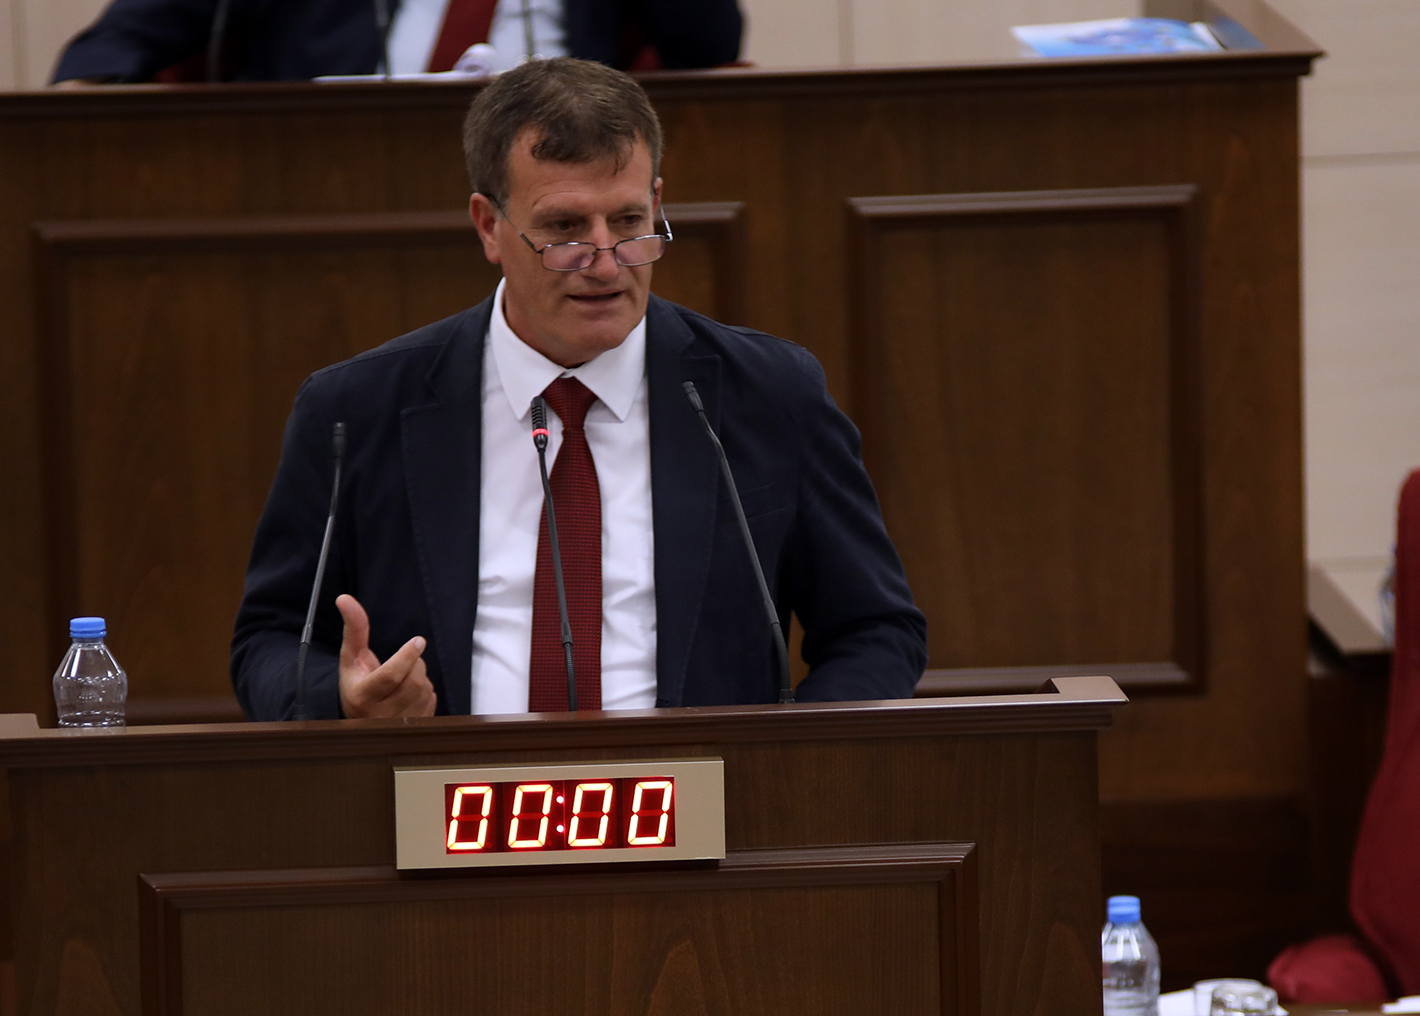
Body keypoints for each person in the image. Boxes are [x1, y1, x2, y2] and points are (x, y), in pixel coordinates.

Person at [231, 57, 927, 721]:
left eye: (628, 223)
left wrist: (785, 764)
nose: (605, 264)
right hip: (443, 792)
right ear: (489, 227)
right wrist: (343, 698)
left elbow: (874, 630)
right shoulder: (356, 410)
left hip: (706, 791)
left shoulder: (770, 395)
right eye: (564, 229)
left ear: (656, 203)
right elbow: (269, 639)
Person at [51, 0, 743, 84]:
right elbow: (125, 38)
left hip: (558, 183)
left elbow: (707, 41)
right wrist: (90, 87)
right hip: (328, 173)